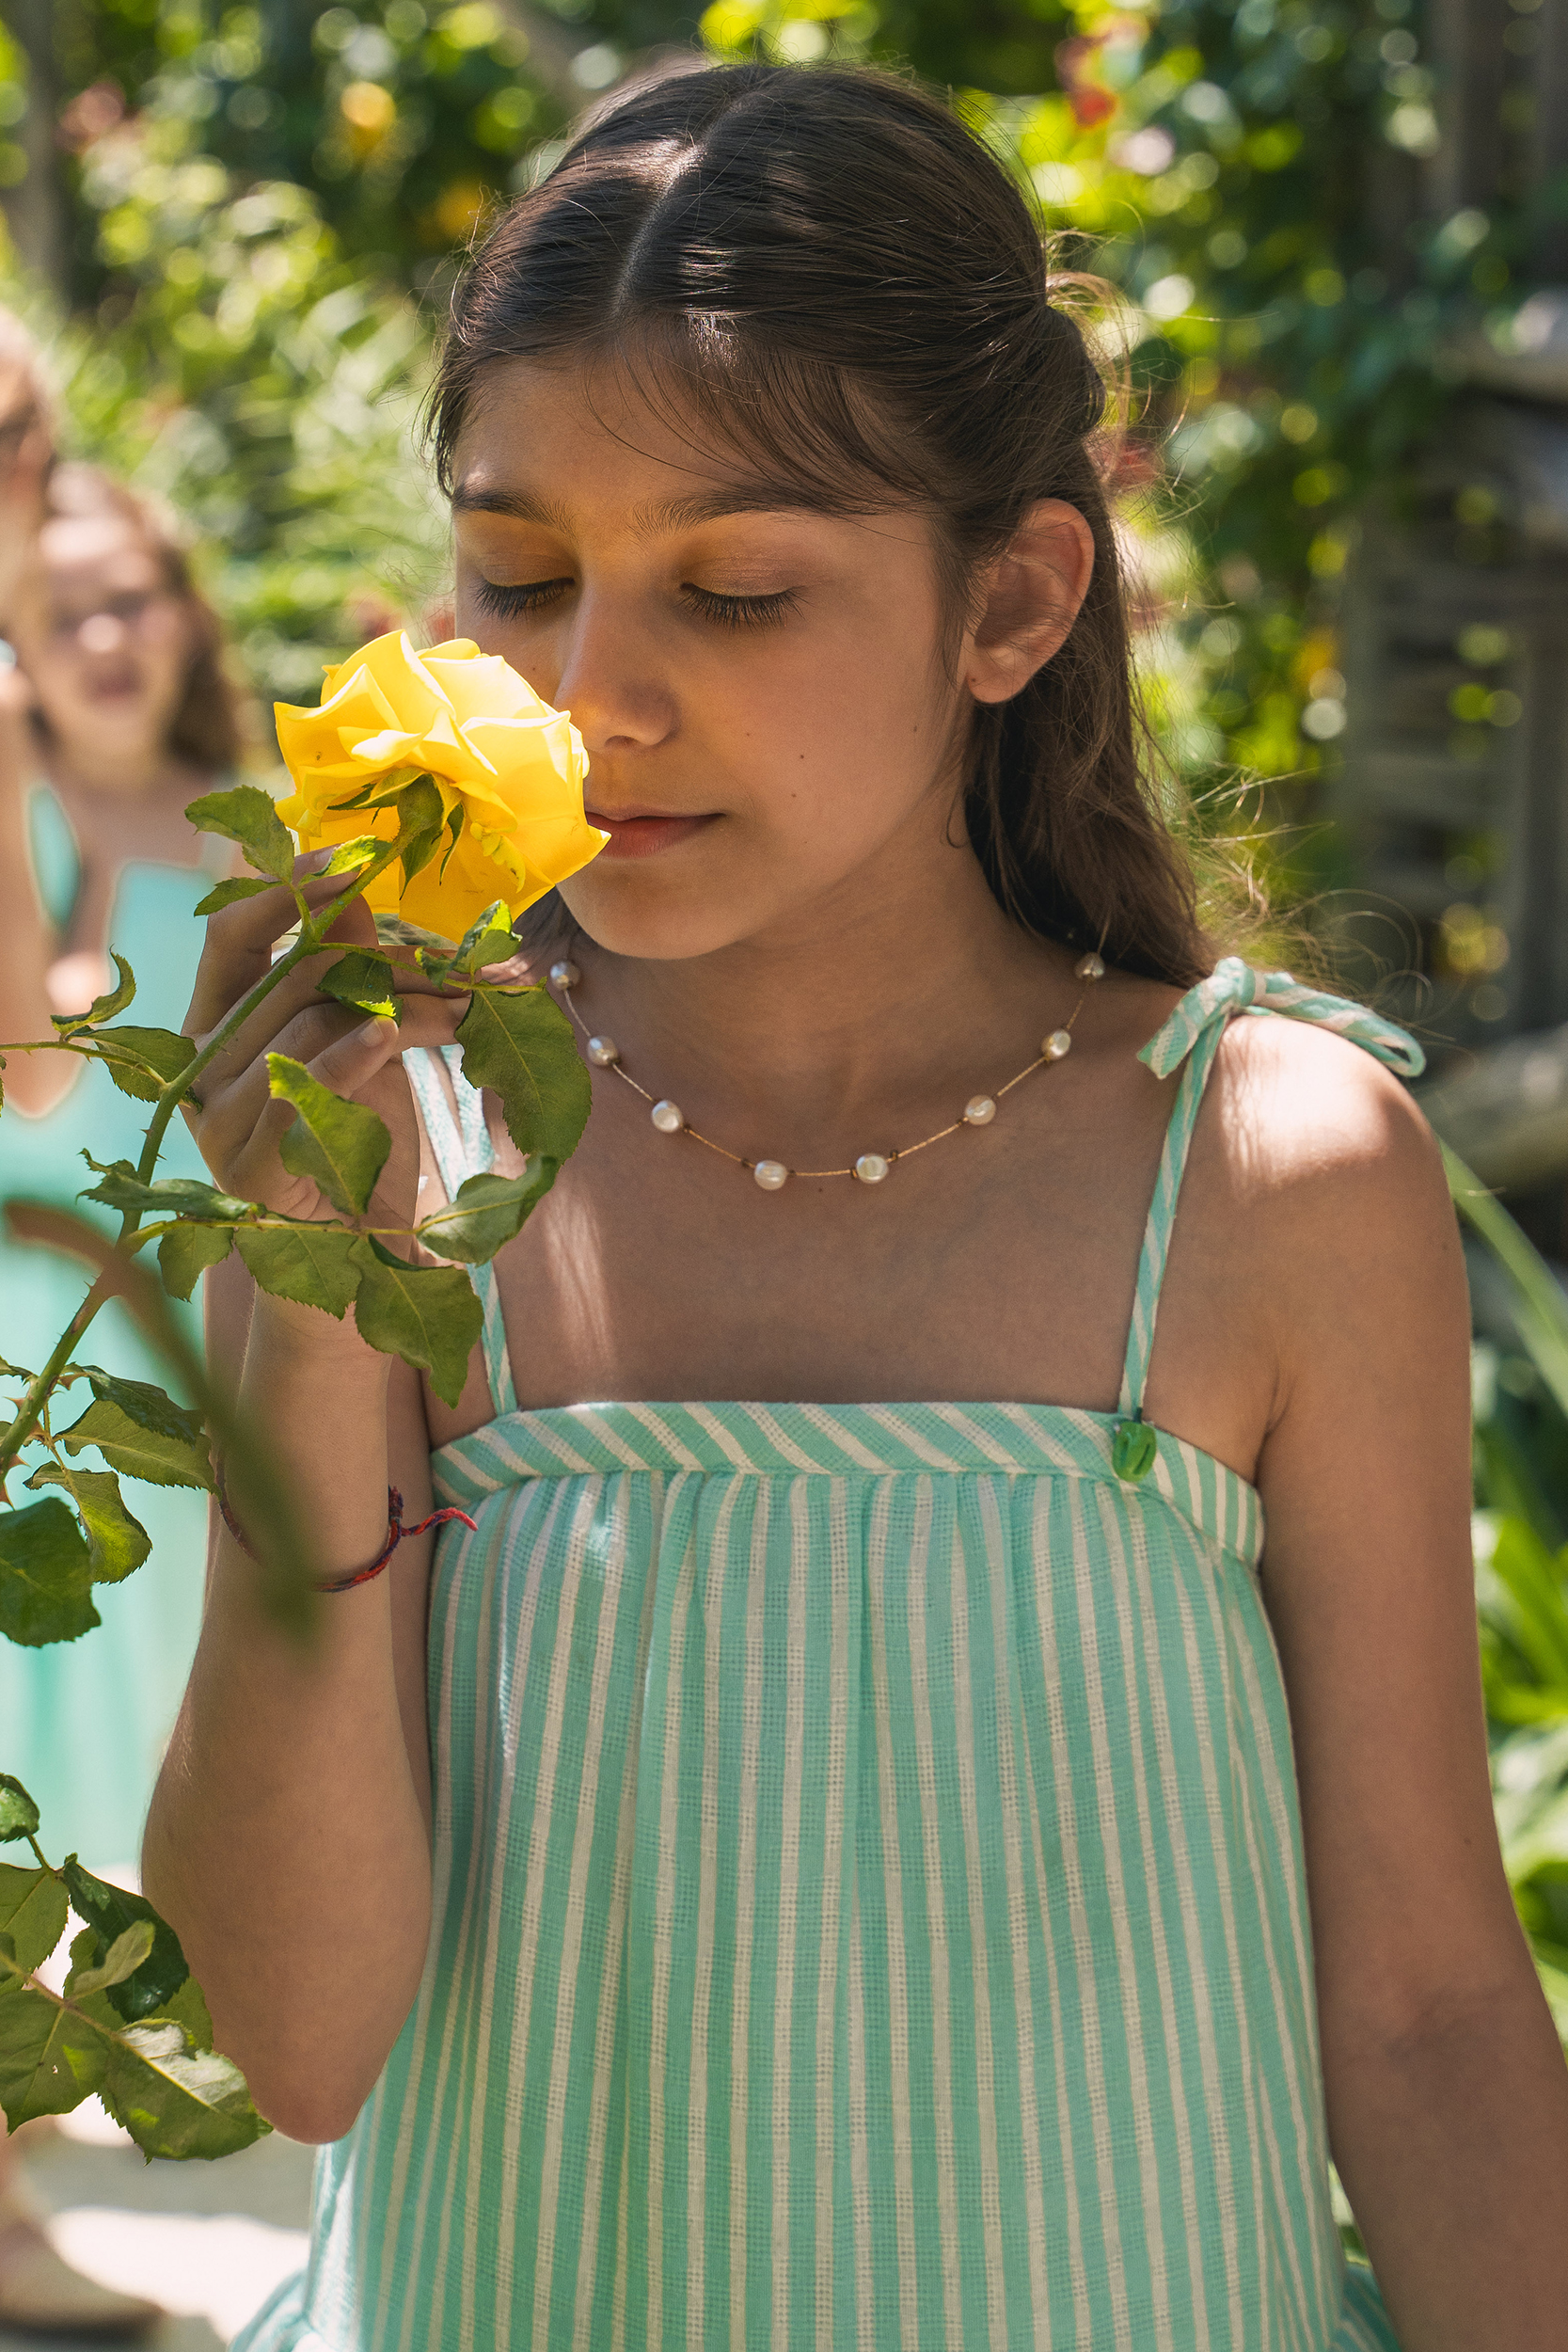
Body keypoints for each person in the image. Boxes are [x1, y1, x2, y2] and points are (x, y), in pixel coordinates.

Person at [148, 64, 1568, 2352]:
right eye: (520, 572)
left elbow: (1419, 2011)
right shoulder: (413, 1161)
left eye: (735, 588)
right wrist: (317, 1282)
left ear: (1008, 601)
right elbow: (291, 2043)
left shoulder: (1270, 1169)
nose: (595, 695)